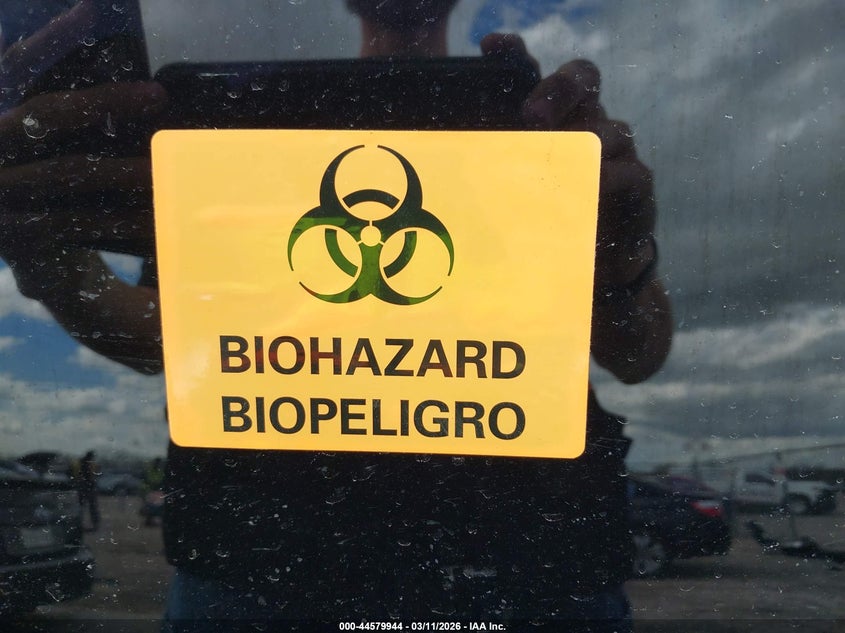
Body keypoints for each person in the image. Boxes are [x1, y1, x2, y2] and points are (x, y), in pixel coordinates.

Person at [0, 0, 672, 629]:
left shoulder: (531, 127)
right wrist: (47, 258)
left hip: (497, 559)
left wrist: (621, 256)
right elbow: (162, 339)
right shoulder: (247, 140)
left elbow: (638, 351)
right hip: (283, 557)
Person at [78, 450, 100, 531]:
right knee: (92, 506)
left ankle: (79, 523)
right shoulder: (89, 464)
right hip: (88, 486)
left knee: (82, 507)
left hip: (83, 486)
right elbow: (92, 475)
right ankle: (94, 524)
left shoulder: (81, 462)